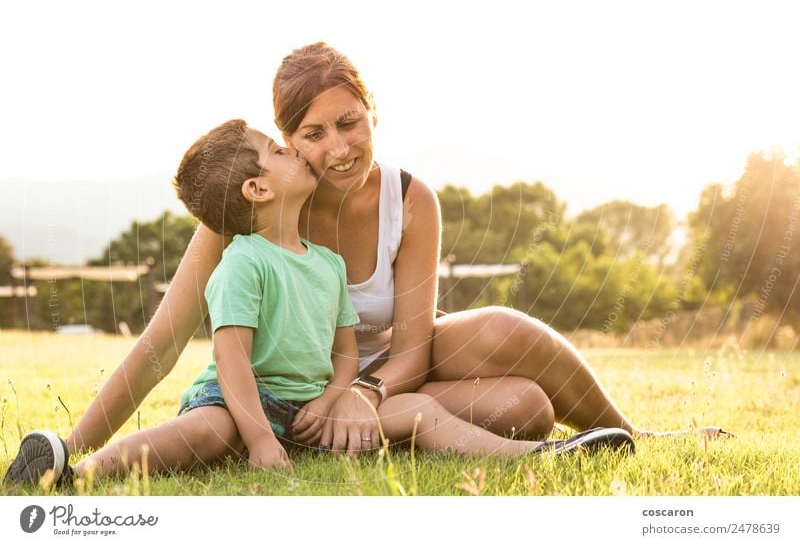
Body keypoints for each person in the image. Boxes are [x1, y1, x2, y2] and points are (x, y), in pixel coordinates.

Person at [56, 42, 719, 463]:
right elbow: (160, 344)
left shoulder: (410, 199)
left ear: (372, 113)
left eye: (351, 123)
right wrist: (74, 445)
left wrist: (361, 393)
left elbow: (413, 347)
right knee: (525, 411)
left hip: (390, 372)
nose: (339, 148)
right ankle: (359, 438)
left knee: (504, 330)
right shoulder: (251, 211)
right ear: (285, 142)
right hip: (295, 390)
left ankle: (635, 436)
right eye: (313, 134)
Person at [4, 119, 635, 487]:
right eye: (287, 144)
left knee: (416, 408)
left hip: (316, 408)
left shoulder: (327, 265)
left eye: (344, 124)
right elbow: (228, 362)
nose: (309, 150)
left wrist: (339, 397)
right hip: (239, 401)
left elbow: (342, 354)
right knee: (205, 431)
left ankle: (536, 455)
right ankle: (77, 472)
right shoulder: (242, 258)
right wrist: (254, 436)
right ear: (256, 187)